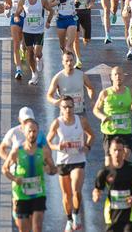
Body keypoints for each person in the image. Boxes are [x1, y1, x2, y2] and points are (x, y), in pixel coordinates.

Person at [47, 95, 95, 231]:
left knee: (76, 189)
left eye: (70, 106)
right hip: (63, 162)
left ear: (74, 107)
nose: (68, 109)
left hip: (78, 160)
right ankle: (69, 219)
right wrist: (59, 147)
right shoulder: (57, 123)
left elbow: (92, 135)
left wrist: (87, 146)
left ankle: (76, 213)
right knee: (66, 194)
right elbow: (48, 142)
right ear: (60, 109)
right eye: (64, 107)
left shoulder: (81, 121)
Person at [2, 117, 57, 232]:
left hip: (38, 194)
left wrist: (49, 169)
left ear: (38, 132)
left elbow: (53, 170)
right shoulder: (17, 151)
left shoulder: (44, 151)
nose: (32, 134)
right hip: (21, 195)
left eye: (34, 131)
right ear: (25, 133)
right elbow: (5, 168)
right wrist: (14, 178)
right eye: (29, 131)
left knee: (37, 228)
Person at [92, 137, 132, 232]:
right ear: (110, 151)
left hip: (131, 214)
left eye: (120, 150)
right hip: (112, 214)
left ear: (124, 152)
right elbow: (97, 188)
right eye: (115, 150)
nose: (117, 153)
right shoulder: (105, 171)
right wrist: (96, 195)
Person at [93, 66, 132, 161]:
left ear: (124, 76)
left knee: (125, 156)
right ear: (111, 77)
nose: (118, 77)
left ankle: (123, 175)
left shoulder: (130, 92)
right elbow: (95, 109)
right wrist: (102, 117)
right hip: (109, 131)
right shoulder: (105, 93)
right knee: (109, 162)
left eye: (120, 74)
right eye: (115, 74)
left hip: (125, 130)